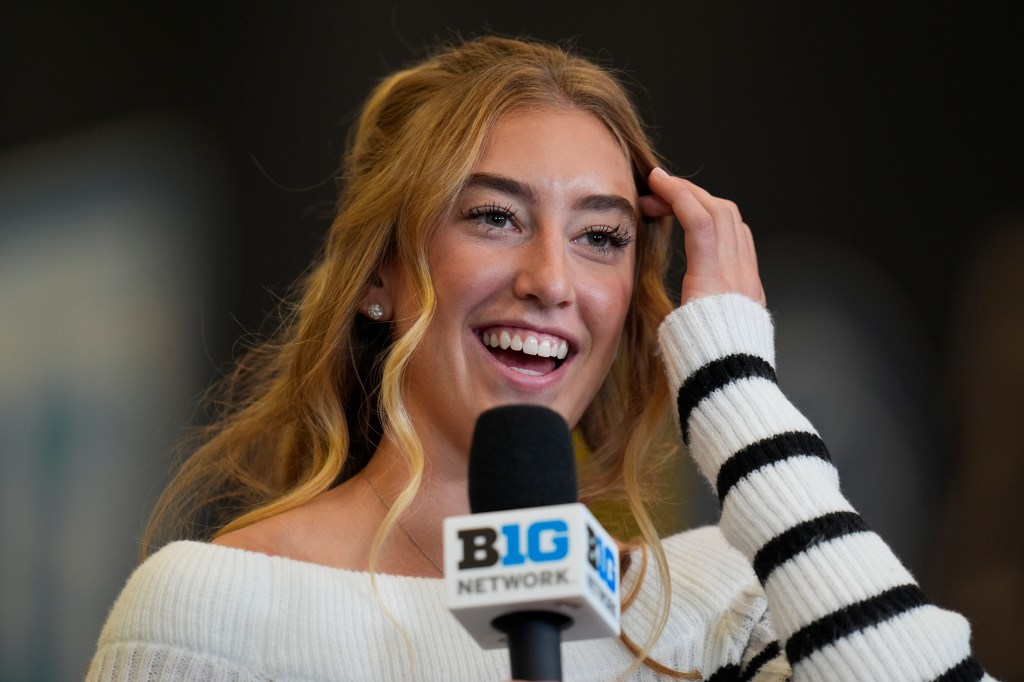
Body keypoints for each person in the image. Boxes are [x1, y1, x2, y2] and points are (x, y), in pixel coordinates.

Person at [86, 36, 993, 681]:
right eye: (494, 217)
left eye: (601, 236)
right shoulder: (213, 611)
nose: (552, 279)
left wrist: (735, 387)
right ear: (379, 276)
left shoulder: (712, 607)